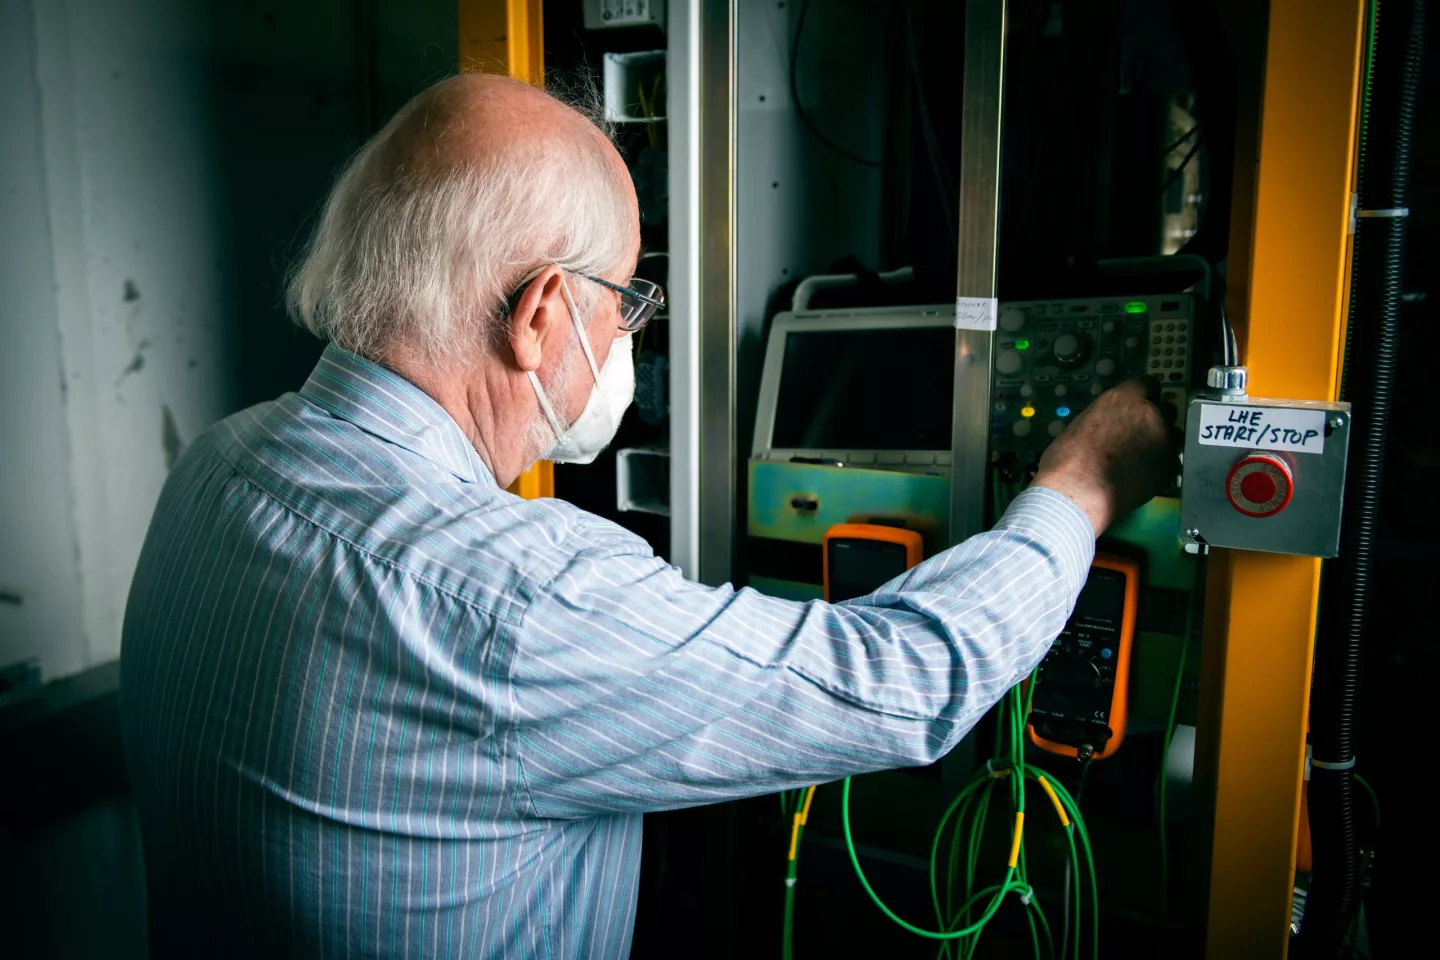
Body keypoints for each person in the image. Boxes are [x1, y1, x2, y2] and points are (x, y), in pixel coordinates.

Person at [118, 73, 1174, 958]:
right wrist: (1081, 481)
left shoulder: (218, 463)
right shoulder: (518, 599)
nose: (628, 335)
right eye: (624, 299)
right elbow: (907, 681)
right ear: (538, 314)